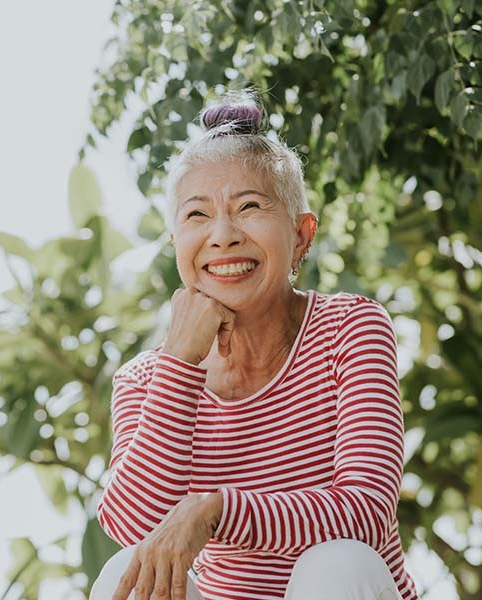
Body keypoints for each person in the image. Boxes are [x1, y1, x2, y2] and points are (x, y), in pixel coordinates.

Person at [90, 88, 419, 600]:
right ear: (176, 242)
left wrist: (215, 508)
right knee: (127, 573)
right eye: (197, 215)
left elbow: (367, 512)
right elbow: (134, 526)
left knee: (336, 562)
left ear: (302, 236)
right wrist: (179, 362)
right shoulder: (143, 378)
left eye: (249, 207)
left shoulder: (349, 328)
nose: (222, 235)